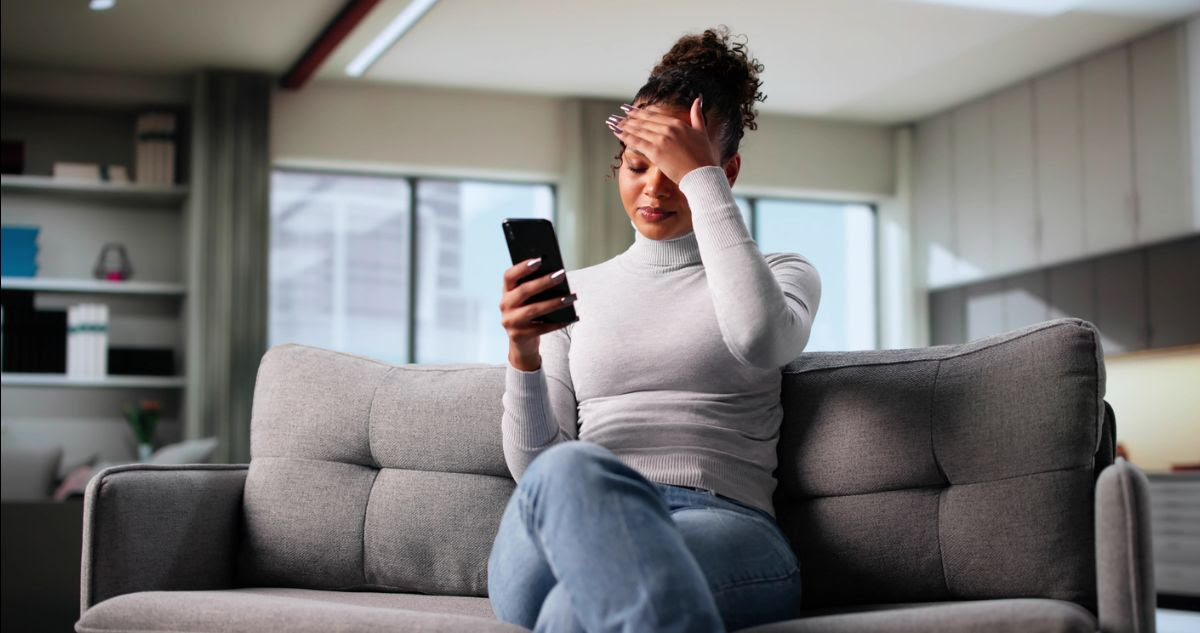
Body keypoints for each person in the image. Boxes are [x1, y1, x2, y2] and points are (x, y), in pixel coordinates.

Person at [489, 25, 821, 633]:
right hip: (565, 521)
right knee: (568, 470)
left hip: (724, 525)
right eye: (639, 165)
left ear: (727, 172)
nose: (653, 187)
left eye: (676, 168)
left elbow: (759, 339)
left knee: (574, 609)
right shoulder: (576, 290)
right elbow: (535, 466)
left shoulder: (782, 274)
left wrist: (701, 177)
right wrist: (522, 353)